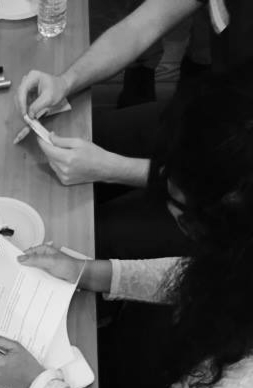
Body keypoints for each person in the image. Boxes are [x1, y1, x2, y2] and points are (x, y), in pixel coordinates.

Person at [0, 63, 253, 388]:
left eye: (180, 210)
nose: (168, 208)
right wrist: (96, 273)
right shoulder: (238, 260)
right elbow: (208, 273)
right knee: (110, 377)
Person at [16, 0, 253, 258]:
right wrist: (65, 82)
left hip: (229, 211)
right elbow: (141, 26)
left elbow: (228, 187)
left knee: (79, 239)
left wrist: (113, 169)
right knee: (79, 139)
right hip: (202, 123)